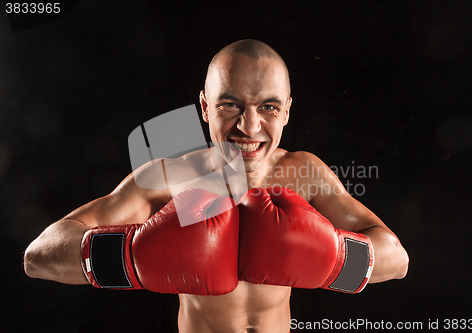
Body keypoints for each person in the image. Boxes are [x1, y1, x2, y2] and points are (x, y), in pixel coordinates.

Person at [24, 39, 409, 332]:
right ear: (205, 107)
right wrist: (130, 256)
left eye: (268, 107)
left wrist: (336, 257)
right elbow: (39, 256)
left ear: (287, 110)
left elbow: (397, 260)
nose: (250, 126)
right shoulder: (169, 179)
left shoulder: (304, 173)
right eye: (231, 105)